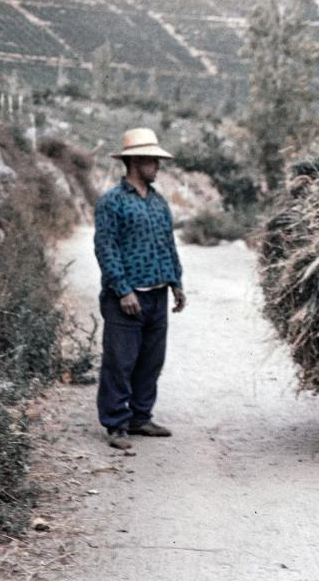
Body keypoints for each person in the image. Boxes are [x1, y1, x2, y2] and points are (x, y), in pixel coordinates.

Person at [94, 128, 186, 449]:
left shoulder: (159, 203)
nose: (158, 167)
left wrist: (176, 283)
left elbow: (168, 246)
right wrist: (122, 290)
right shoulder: (112, 202)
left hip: (158, 295)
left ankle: (140, 417)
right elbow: (106, 249)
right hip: (126, 298)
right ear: (136, 161)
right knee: (120, 361)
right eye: (153, 161)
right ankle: (116, 424)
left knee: (151, 360)